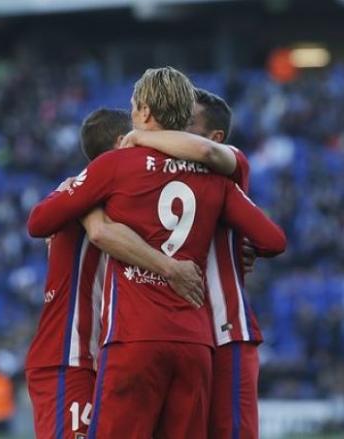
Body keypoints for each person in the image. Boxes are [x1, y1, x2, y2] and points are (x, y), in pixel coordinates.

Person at [27, 66, 286, 439]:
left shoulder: (115, 168)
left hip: (134, 339)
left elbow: (43, 223)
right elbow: (273, 239)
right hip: (196, 341)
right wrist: (242, 247)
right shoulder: (219, 178)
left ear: (145, 113)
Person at [25, 108, 205, 439]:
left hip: (112, 357)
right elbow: (38, 221)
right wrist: (170, 268)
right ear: (122, 142)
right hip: (72, 353)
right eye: (139, 138)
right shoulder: (87, 191)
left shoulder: (125, 196)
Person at [121, 88, 264, 438]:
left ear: (216, 136)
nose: (174, 133)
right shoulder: (150, 177)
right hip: (178, 334)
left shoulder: (229, 166)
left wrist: (139, 135)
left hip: (225, 328)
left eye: (186, 125)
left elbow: (205, 151)